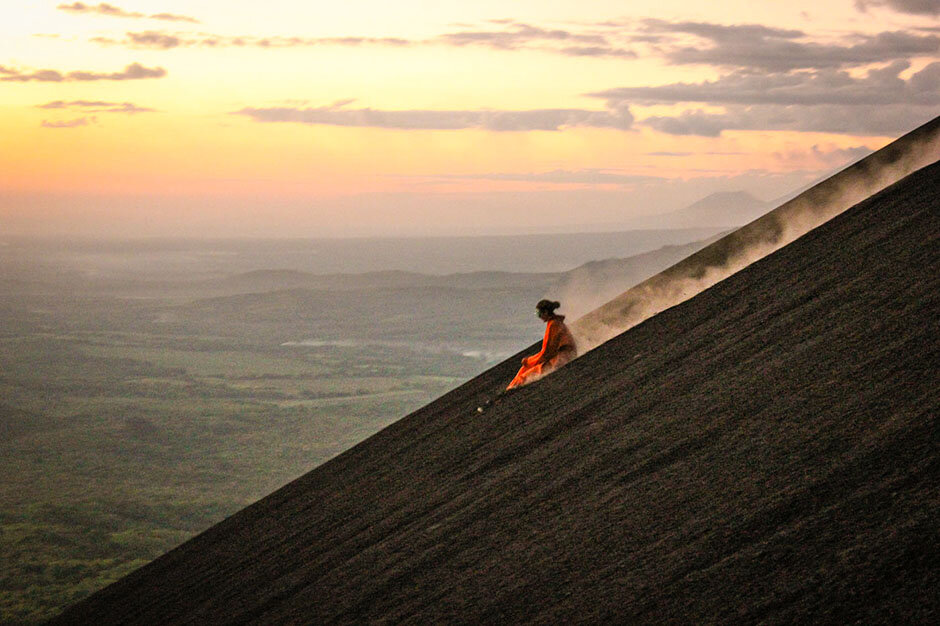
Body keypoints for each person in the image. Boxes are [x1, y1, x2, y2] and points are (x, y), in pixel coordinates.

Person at [506, 299, 577, 390]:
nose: (539, 317)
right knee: (524, 368)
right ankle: (509, 388)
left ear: (546, 312)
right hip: (560, 357)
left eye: (539, 314)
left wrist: (529, 361)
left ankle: (509, 391)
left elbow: (547, 353)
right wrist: (529, 362)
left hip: (560, 360)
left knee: (522, 378)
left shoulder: (553, 325)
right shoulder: (555, 322)